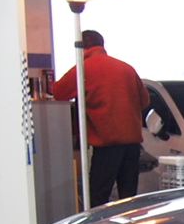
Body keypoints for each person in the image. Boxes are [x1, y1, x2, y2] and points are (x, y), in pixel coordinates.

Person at [53, 30, 150, 207]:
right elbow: (145, 101)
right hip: (132, 144)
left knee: (98, 197)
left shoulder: (84, 68)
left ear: (81, 48)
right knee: (129, 197)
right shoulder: (126, 68)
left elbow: (59, 93)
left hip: (107, 144)